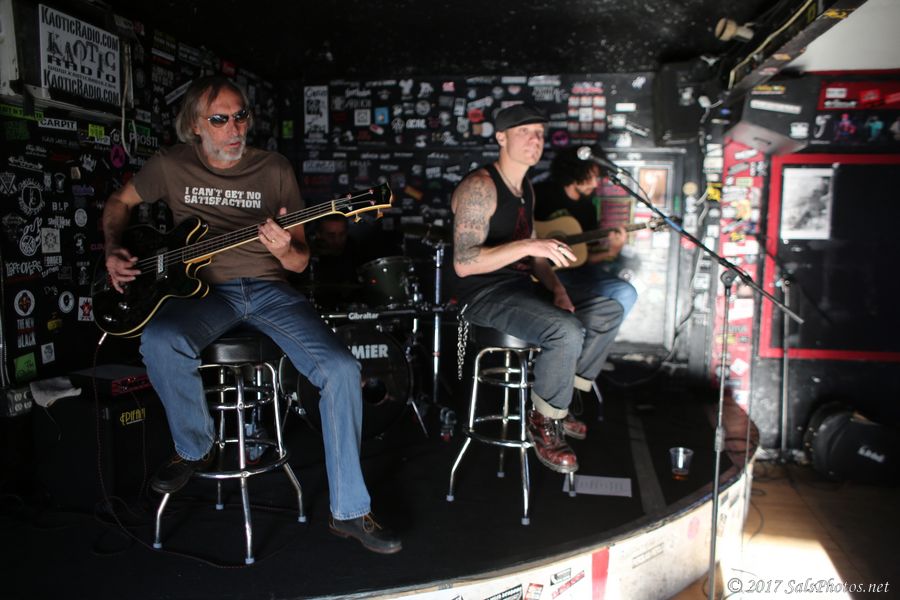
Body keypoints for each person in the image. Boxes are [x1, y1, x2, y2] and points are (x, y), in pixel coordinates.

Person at [101, 76, 400, 554]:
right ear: (195, 125)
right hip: (202, 293)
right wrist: (114, 247)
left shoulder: (274, 168)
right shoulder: (170, 165)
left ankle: (349, 511)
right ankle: (195, 447)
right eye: (220, 119)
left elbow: (300, 262)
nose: (234, 127)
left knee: (342, 369)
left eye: (240, 116)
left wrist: (283, 251)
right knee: (159, 339)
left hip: (268, 290)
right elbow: (120, 202)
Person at [451, 104, 625, 473]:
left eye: (540, 134)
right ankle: (544, 421)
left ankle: (563, 398)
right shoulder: (480, 186)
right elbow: (464, 263)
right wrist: (530, 246)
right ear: (501, 137)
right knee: (565, 329)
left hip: (520, 288)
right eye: (525, 132)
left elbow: (537, 257)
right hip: (483, 295)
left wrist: (558, 290)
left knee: (607, 310)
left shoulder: (525, 188)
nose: (535, 140)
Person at [533, 146, 638, 318]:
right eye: (590, 177)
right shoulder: (540, 193)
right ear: (575, 172)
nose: (595, 184)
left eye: (597, 177)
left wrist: (612, 251)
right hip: (536, 271)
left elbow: (585, 257)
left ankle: (593, 334)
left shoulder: (588, 208)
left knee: (626, 292)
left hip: (573, 272)